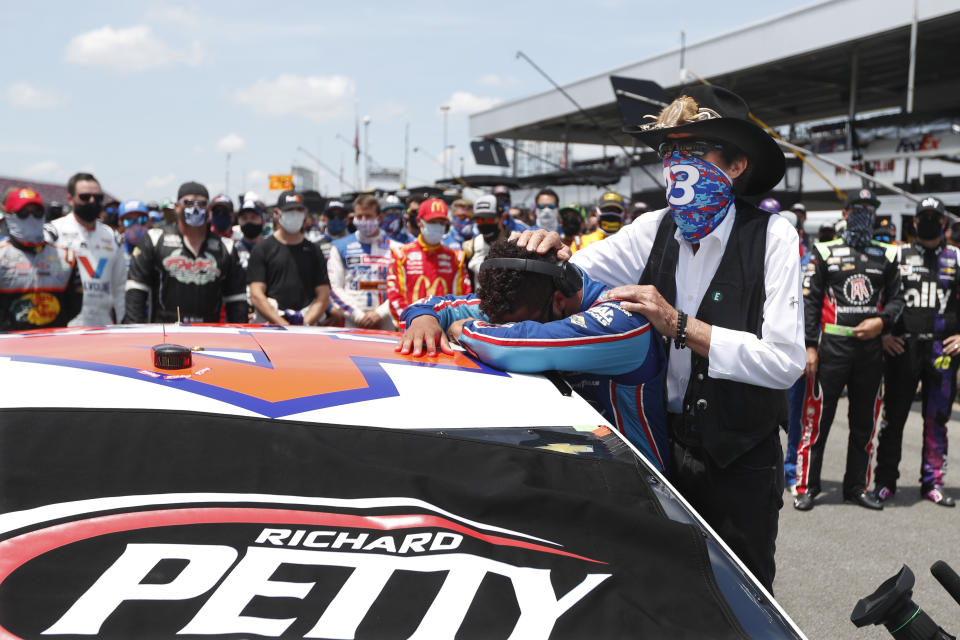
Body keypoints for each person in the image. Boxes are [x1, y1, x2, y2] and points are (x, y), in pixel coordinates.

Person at [514, 85, 805, 591]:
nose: (676, 165)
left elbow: (784, 362)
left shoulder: (773, 236)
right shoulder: (652, 227)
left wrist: (681, 326)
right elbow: (565, 276)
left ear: (736, 166)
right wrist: (541, 255)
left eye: (693, 151)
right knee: (662, 589)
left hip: (740, 460)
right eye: (670, 152)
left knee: (742, 596)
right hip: (658, 450)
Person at [397, 239, 668, 472]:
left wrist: (463, 328)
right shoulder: (526, 296)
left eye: (515, 323)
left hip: (637, 484)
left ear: (560, 301)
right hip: (559, 467)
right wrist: (423, 319)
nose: (508, 325)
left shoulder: (626, 321)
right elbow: (434, 305)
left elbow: (514, 344)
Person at [795, 188, 904, 512]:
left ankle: (856, 486)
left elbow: (898, 300)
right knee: (817, 419)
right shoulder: (825, 250)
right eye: (857, 208)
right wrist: (810, 347)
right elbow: (810, 302)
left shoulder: (886, 254)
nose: (863, 214)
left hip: (870, 349)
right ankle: (806, 486)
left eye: (869, 210)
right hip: (832, 347)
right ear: (845, 214)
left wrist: (882, 323)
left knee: (864, 422)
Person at [873, 197, 959, 506]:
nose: (928, 221)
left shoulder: (956, 257)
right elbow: (878, 297)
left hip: (941, 350)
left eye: (934, 216)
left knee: (936, 419)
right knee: (893, 418)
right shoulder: (896, 253)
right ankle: (884, 482)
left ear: (944, 222)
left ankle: (933, 482)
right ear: (915, 221)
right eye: (924, 216)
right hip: (902, 346)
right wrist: (883, 335)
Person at [125, 181, 247, 323]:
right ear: (177, 207)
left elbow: (237, 302)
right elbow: (135, 292)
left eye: (201, 204)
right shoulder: (154, 239)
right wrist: (137, 334)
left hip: (209, 334)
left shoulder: (226, 247)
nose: (195, 208)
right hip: (164, 333)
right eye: (188, 203)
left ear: (208, 208)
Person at [48, 173, 125, 326]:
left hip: (104, 325)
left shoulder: (112, 236)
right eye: (85, 197)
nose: (92, 201)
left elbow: (119, 287)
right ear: (70, 199)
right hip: (66, 326)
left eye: (98, 197)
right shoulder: (53, 232)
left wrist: (121, 323)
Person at [0, 187, 83, 330]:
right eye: (24, 213)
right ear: (9, 216)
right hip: (9, 342)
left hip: (51, 340)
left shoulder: (67, 257)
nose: (31, 218)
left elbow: (74, 305)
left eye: (37, 212)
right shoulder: (1, 255)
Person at [247, 190, 330, 326]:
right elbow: (256, 294)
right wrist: (281, 324)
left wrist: (305, 323)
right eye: (289, 210)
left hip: (306, 327)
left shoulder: (314, 250)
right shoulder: (262, 249)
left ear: (305, 214)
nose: (294, 214)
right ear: (278, 213)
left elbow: (323, 296)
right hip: (271, 325)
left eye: (299, 209)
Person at [387, 198, 470, 325]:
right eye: (433, 221)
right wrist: (412, 325)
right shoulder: (401, 255)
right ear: (420, 222)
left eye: (442, 222)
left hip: (446, 332)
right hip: (409, 330)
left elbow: (463, 298)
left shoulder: (456, 258)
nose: (438, 226)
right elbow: (395, 297)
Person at [326, 193, 400, 330]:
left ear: (379, 217)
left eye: (368, 216)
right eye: (359, 217)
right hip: (352, 321)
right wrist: (358, 316)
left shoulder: (397, 249)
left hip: (386, 321)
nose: (364, 220)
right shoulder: (339, 247)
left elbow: (402, 288)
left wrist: (380, 313)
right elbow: (334, 288)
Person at [462, 194, 507, 291]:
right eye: (479, 220)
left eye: (489, 219)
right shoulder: (470, 247)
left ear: (502, 217)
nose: (484, 223)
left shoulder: (516, 242)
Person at [117, 200, 150, 269]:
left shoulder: (157, 247)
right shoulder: (115, 247)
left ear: (148, 222)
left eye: (142, 219)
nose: (136, 226)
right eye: (128, 221)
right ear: (121, 224)